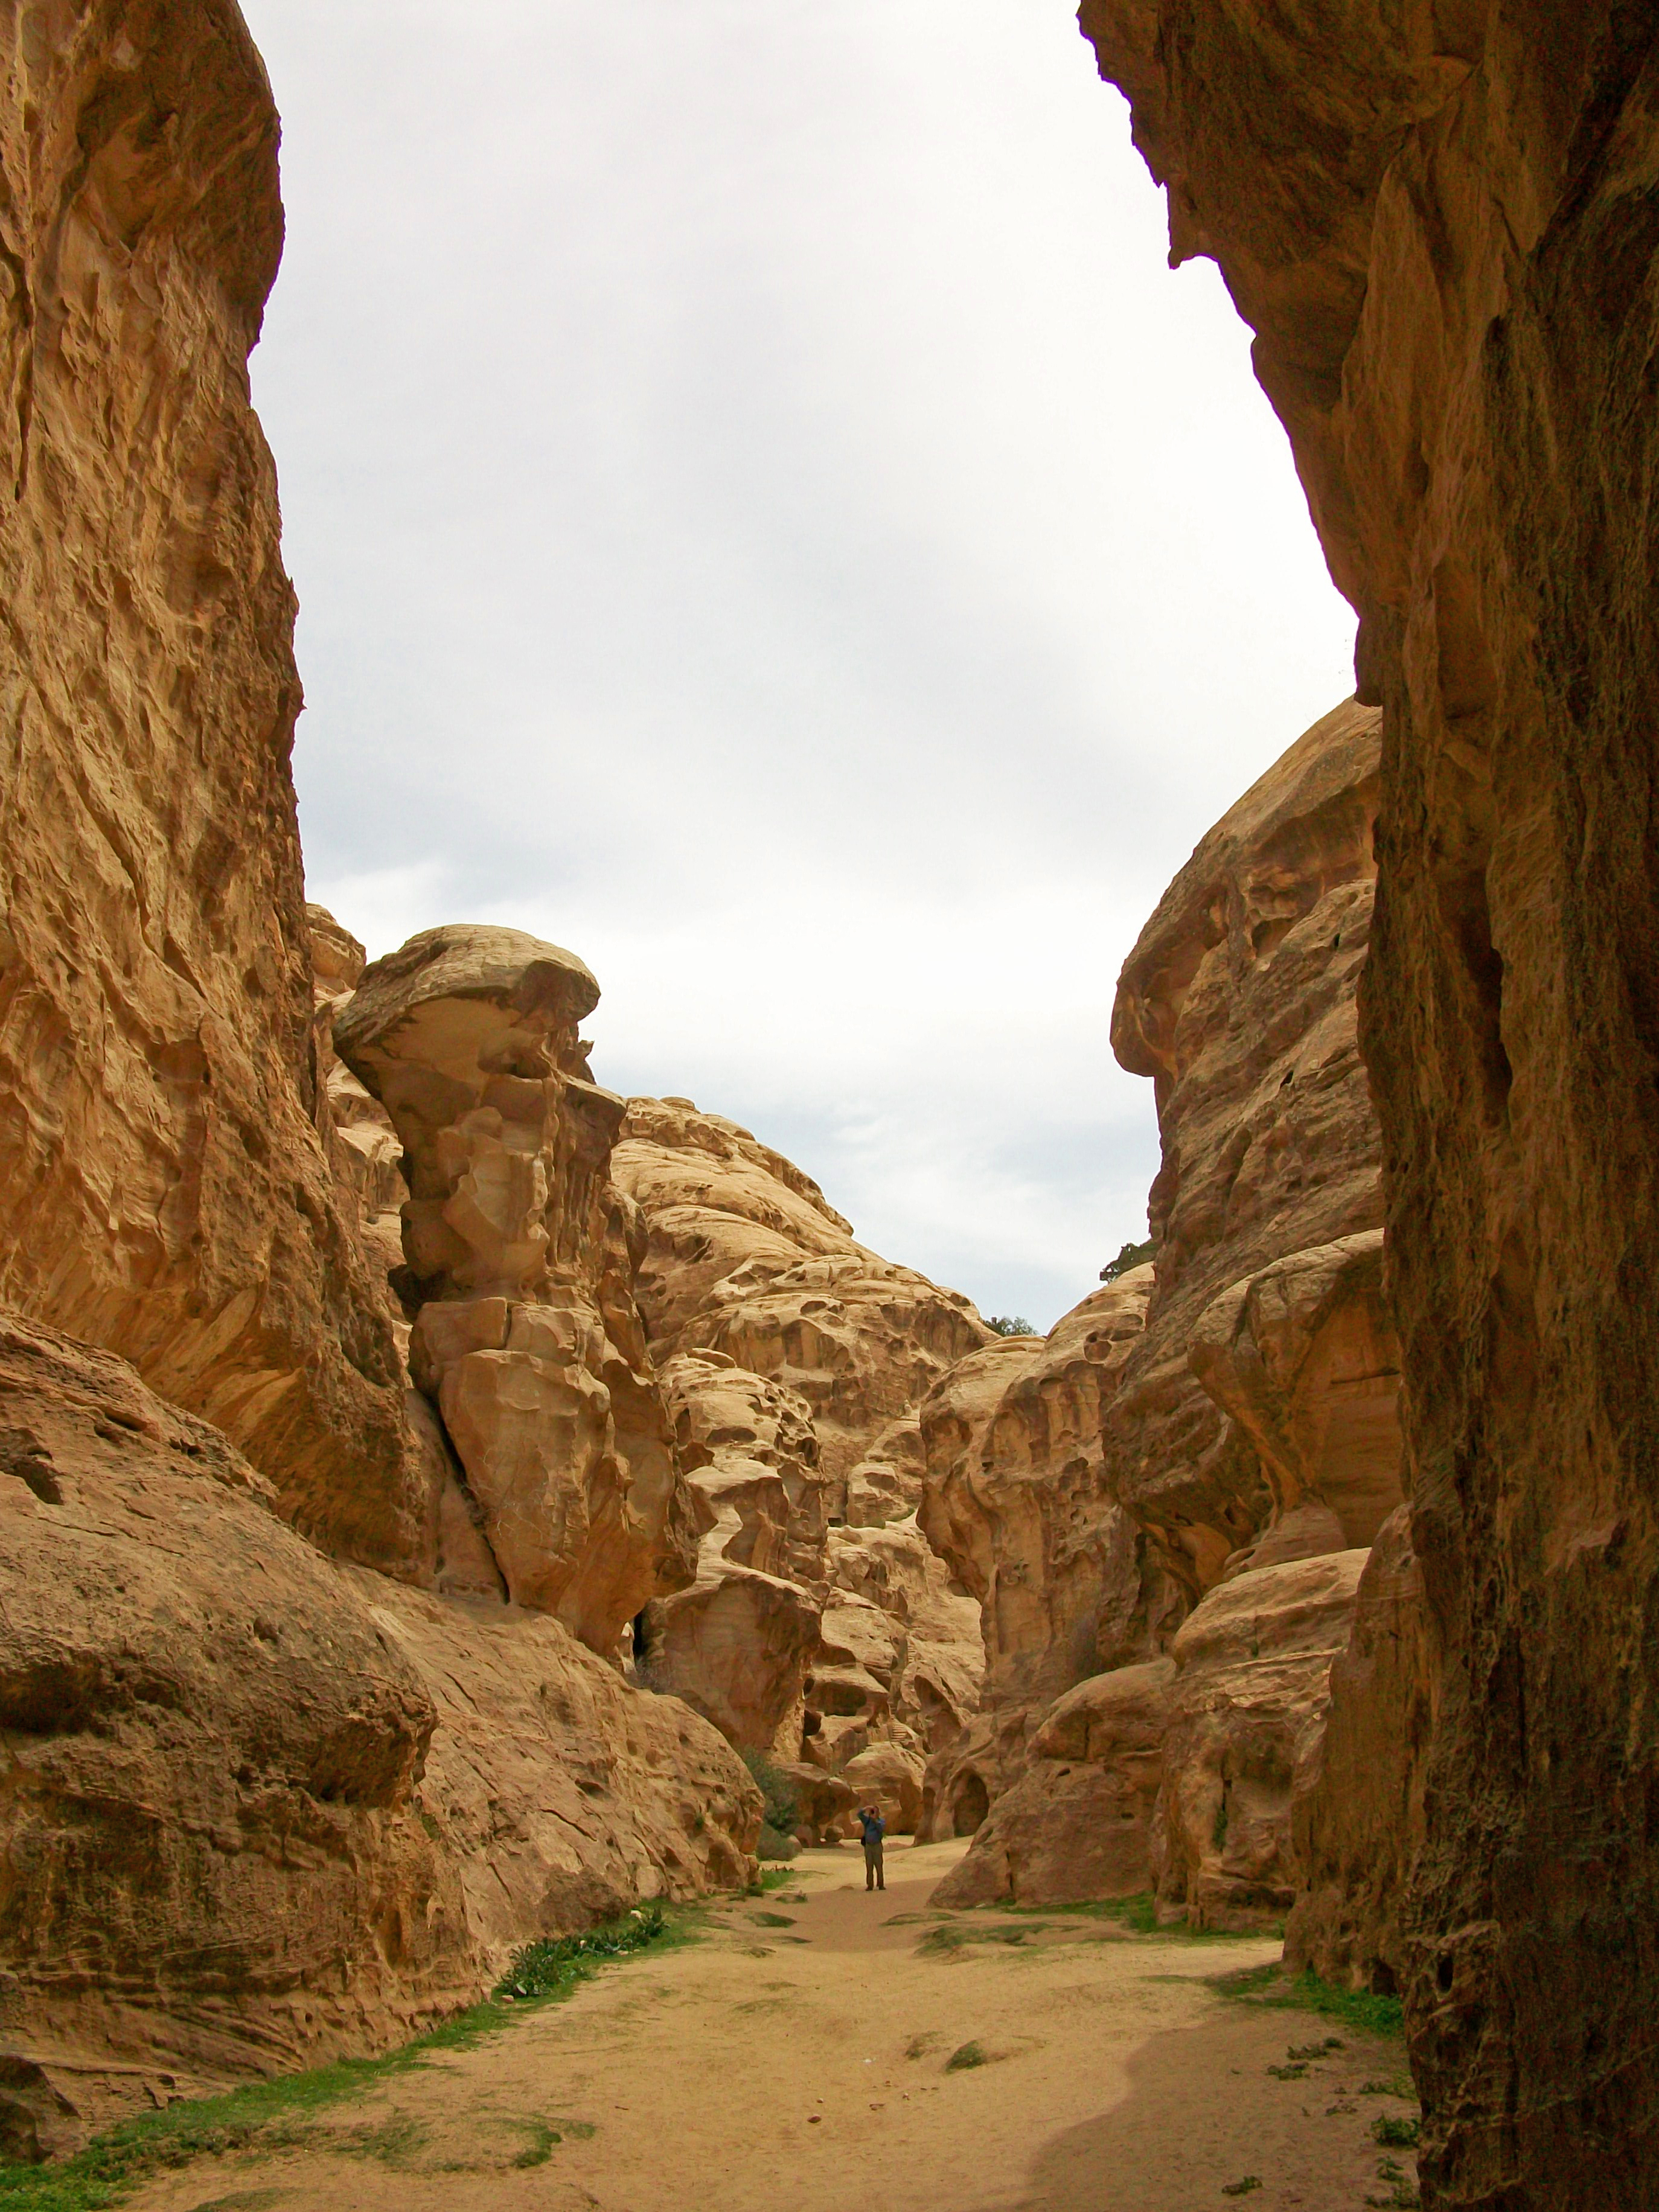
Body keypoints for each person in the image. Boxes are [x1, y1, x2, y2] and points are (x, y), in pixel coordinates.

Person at [857, 1804, 886, 1891]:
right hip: (869, 1846)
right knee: (869, 1866)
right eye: (872, 1811)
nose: (873, 1813)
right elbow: (859, 1815)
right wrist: (866, 1809)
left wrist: (875, 1821)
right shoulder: (867, 1822)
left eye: (875, 1811)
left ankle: (881, 1884)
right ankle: (870, 1885)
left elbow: (881, 1829)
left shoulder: (881, 1821)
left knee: (879, 1865)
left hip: (877, 1845)